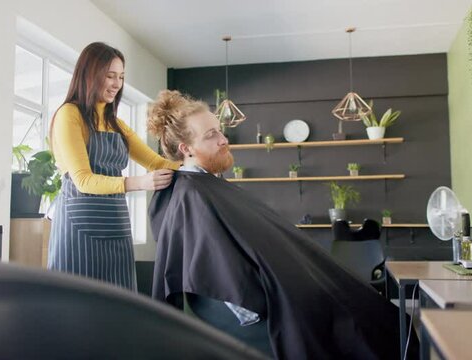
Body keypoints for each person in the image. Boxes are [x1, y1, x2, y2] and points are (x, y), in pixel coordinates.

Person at [146, 90, 414, 359]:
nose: (223, 139)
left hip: (288, 286)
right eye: (211, 135)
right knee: (355, 313)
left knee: (357, 301)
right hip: (266, 303)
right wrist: (256, 309)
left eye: (219, 130)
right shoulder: (192, 194)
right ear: (186, 148)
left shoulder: (205, 187)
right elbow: (218, 268)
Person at [47, 42, 179, 291]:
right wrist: (141, 182)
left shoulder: (116, 123)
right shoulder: (69, 115)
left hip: (115, 224)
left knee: (120, 302)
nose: (117, 84)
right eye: (110, 76)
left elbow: (156, 161)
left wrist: (194, 165)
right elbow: (83, 180)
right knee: (79, 304)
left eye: (121, 77)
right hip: (78, 229)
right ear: (89, 75)